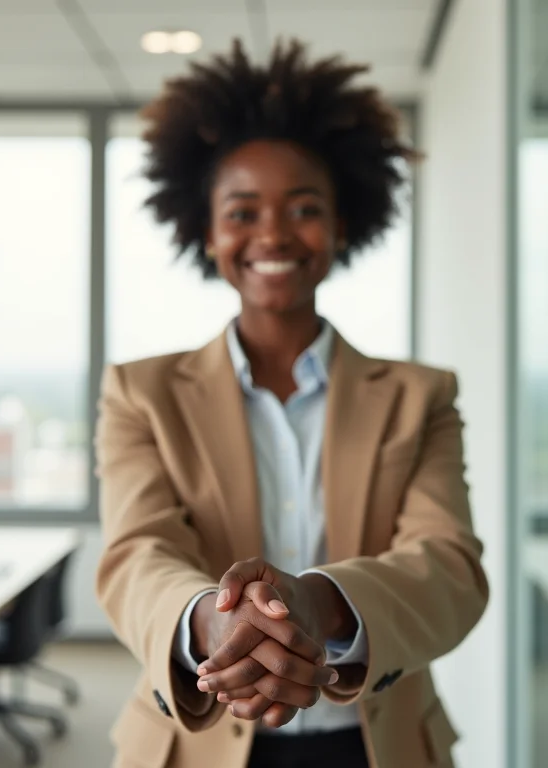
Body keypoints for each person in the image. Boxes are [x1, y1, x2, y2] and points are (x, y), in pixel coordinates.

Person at [95, 39, 489, 768]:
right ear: (208, 235)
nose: (273, 233)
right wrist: (213, 624)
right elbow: (136, 555)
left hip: (377, 742)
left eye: (303, 208)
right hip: (197, 739)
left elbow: (449, 566)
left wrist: (322, 603)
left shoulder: (420, 397)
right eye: (242, 212)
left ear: (342, 226)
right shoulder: (139, 395)